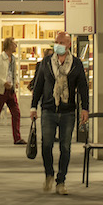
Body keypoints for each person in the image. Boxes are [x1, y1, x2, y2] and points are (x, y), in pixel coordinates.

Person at [30, 31, 89, 196]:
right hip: (48, 109)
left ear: (69, 45)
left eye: (61, 42)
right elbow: (38, 85)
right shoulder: (46, 63)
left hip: (68, 111)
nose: (58, 45)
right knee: (47, 144)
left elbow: (83, 88)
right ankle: (49, 173)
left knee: (65, 146)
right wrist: (33, 107)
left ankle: (61, 180)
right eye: (56, 42)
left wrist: (85, 108)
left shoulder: (76, 64)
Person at [0, 37, 25, 145]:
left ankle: (17, 138)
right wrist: (3, 82)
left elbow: (13, 73)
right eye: (14, 43)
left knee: (16, 113)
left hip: (11, 90)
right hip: (0, 91)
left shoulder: (13, 59)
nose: (16, 45)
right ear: (8, 45)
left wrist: (15, 82)